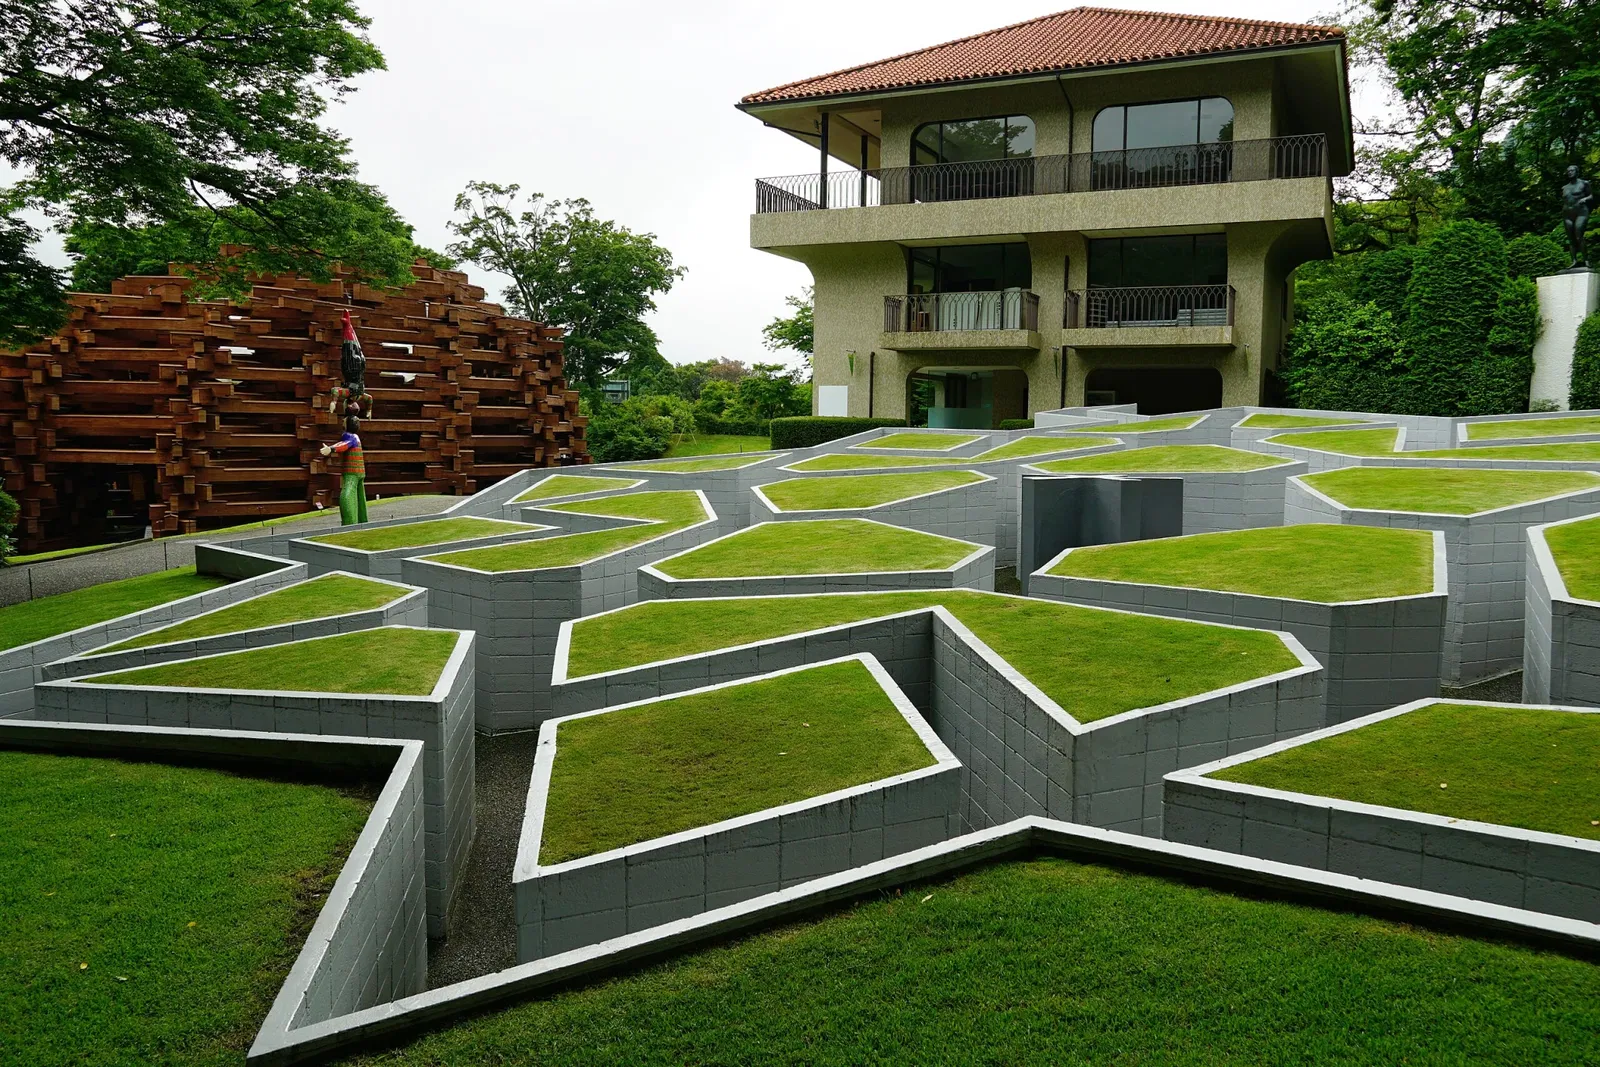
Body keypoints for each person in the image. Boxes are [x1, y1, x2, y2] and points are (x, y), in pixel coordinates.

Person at [321, 415, 368, 525]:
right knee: (360, 498)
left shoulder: (350, 436)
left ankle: (349, 523)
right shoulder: (356, 437)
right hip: (360, 471)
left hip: (352, 472)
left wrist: (331, 449)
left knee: (347, 495)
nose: (342, 421)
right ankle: (362, 521)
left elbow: (344, 445)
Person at [1563, 165, 1594, 268]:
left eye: (1572, 171)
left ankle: (1586, 260)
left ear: (1577, 172)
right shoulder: (1564, 187)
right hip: (1567, 214)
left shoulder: (1584, 183)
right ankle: (1574, 261)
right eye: (1568, 171)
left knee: (1578, 235)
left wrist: (1585, 199)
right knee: (1571, 239)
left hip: (1581, 212)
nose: (1570, 172)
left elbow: (1591, 196)